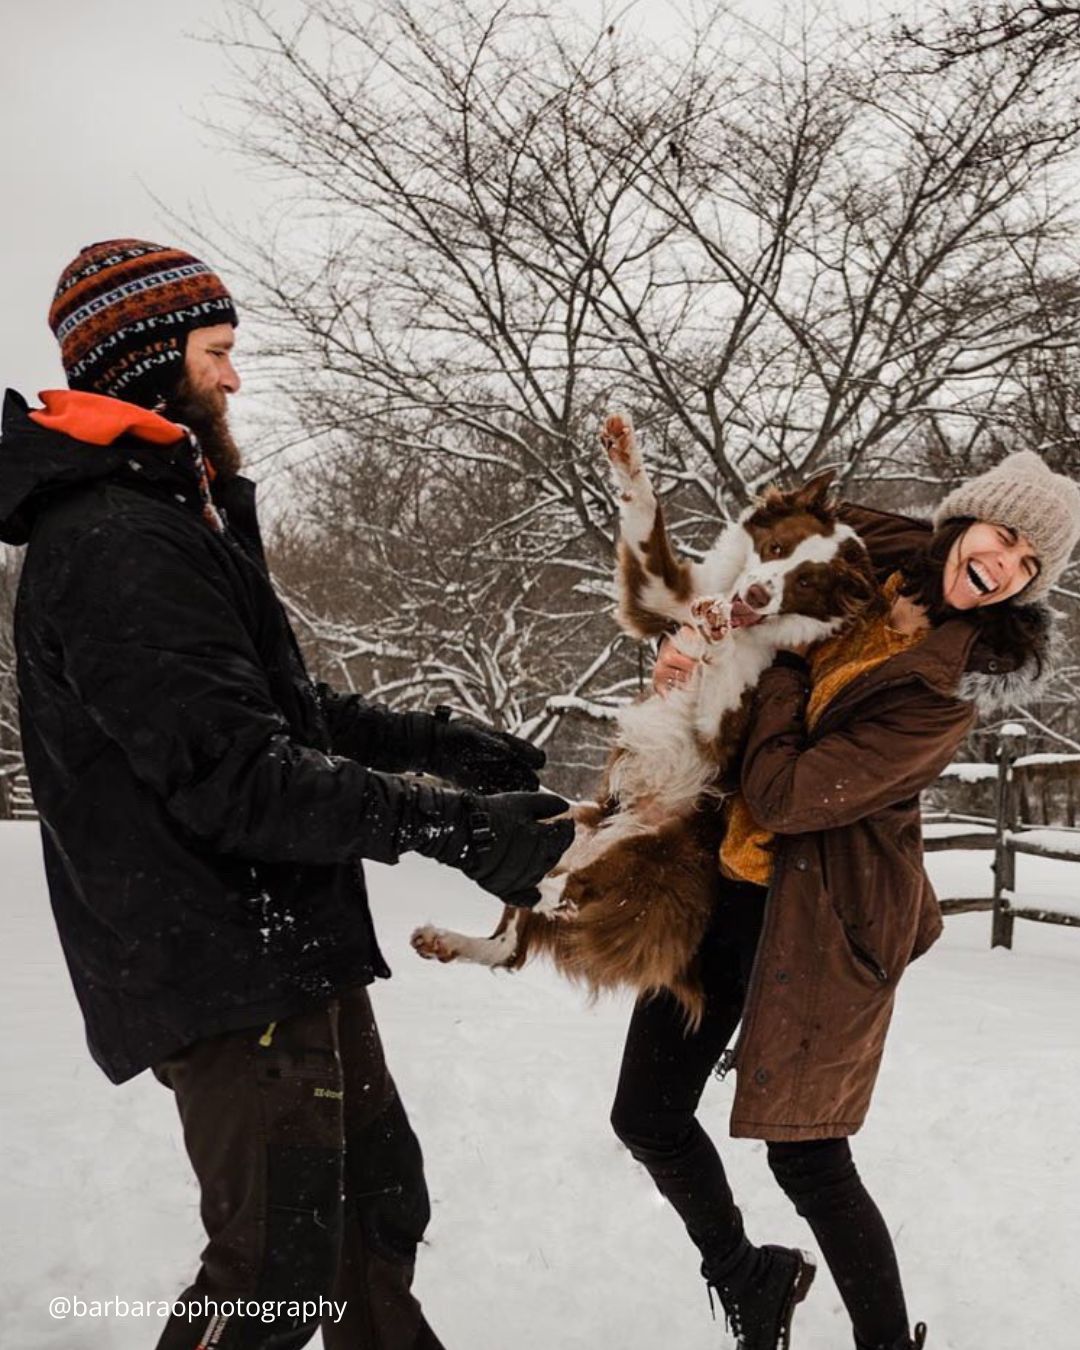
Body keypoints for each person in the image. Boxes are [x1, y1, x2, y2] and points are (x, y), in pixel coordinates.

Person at [0, 239, 574, 1350]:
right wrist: (449, 827)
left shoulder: (170, 514)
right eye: (217, 352)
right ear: (146, 360)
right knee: (276, 1267)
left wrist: (444, 748)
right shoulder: (119, 542)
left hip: (277, 938)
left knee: (373, 1212)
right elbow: (235, 776)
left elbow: (276, 708)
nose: (234, 377)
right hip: (221, 953)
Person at [612, 454, 1080, 1350]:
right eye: (1005, 536)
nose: (1006, 564)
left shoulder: (946, 691)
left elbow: (790, 796)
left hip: (830, 913)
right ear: (966, 519)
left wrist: (785, 655)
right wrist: (694, 644)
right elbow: (745, 580)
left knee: (808, 1153)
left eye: (1030, 566)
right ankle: (752, 1280)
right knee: (647, 1115)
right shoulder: (853, 553)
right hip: (723, 878)